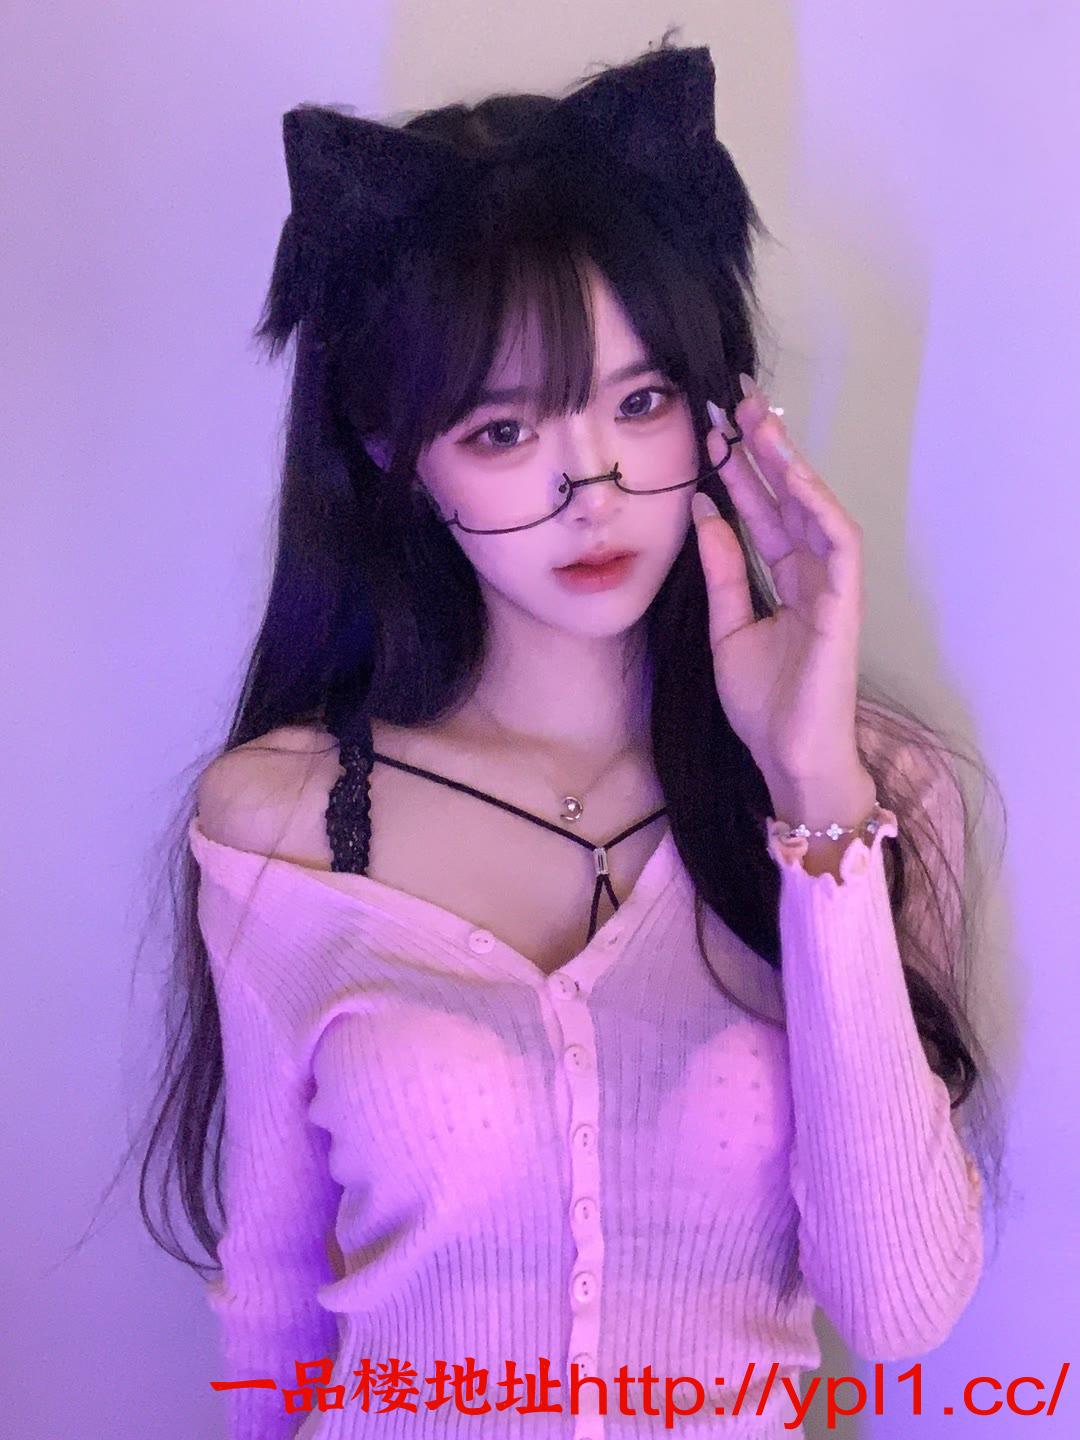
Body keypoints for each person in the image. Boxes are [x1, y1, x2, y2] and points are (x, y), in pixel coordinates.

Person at [137, 31, 1007, 1440]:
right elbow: (275, 1303)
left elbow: (897, 1309)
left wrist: (813, 795)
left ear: (715, 411)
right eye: (503, 431)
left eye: (639, 402)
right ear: (394, 453)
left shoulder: (875, 789)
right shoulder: (278, 819)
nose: (590, 488)